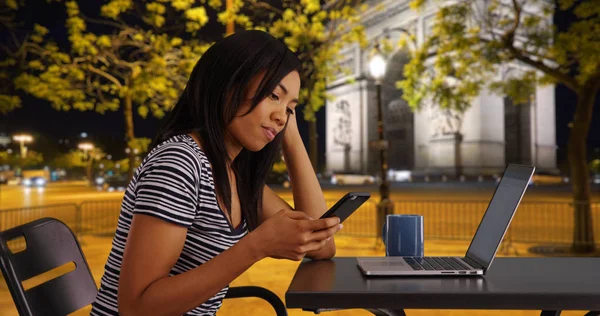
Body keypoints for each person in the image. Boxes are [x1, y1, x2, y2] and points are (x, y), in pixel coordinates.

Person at [90, 30, 343, 316]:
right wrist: (256, 246)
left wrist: (292, 138)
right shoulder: (179, 164)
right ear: (229, 84)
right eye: (274, 96)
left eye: (291, 109)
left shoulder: (233, 175)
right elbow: (136, 307)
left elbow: (320, 245)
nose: (281, 116)